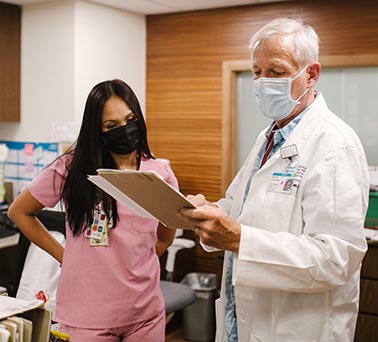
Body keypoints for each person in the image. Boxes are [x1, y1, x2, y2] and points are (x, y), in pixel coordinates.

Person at [180, 18, 369, 342]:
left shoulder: (335, 144)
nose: (262, 81)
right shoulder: (268, 138)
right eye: (257, 71)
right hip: (245, 320)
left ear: (310, 74)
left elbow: (336, 259)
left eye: (276, 72)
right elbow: (239, 205)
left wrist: (240, 239)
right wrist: (207, 210)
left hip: (297, 329)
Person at [8, 79, 178, 342]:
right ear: (96, 131)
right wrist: (63, 255)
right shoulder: (70, 170)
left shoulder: (159, 174)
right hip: (86, 317)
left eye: (130, 119)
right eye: (111, 126)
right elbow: (19, 212)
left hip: (144, 315)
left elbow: (165, 236)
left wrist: (131, 262)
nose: (124, 130)